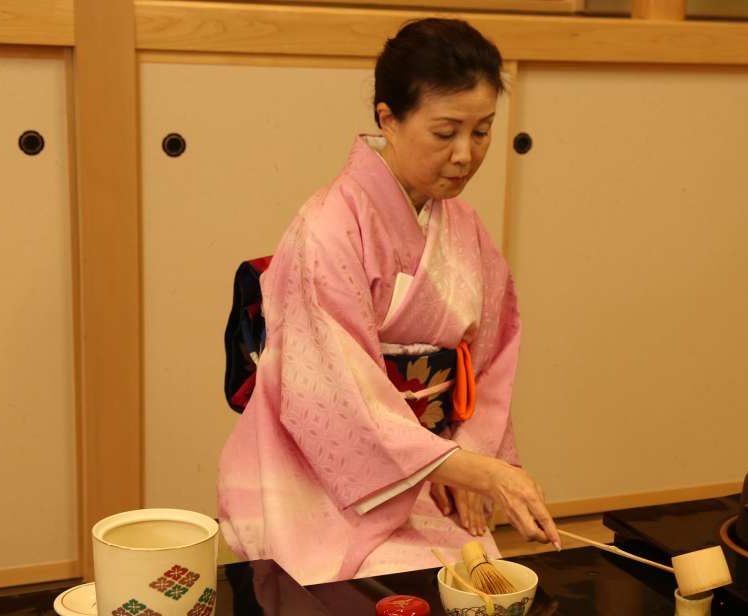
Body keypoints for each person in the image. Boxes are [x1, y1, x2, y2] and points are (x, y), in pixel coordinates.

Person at [216, 18, 560, 585]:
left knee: (475, 582)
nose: (465, 155)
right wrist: (472, 468)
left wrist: (467, 460)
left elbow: (491, 360)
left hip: (434, 463)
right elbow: (337, 400)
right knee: (391, 585)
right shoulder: (327, 229)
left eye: (482, 131)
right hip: (323, 481)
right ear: (388, 119)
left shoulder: (466, 228)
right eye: (445, 132)